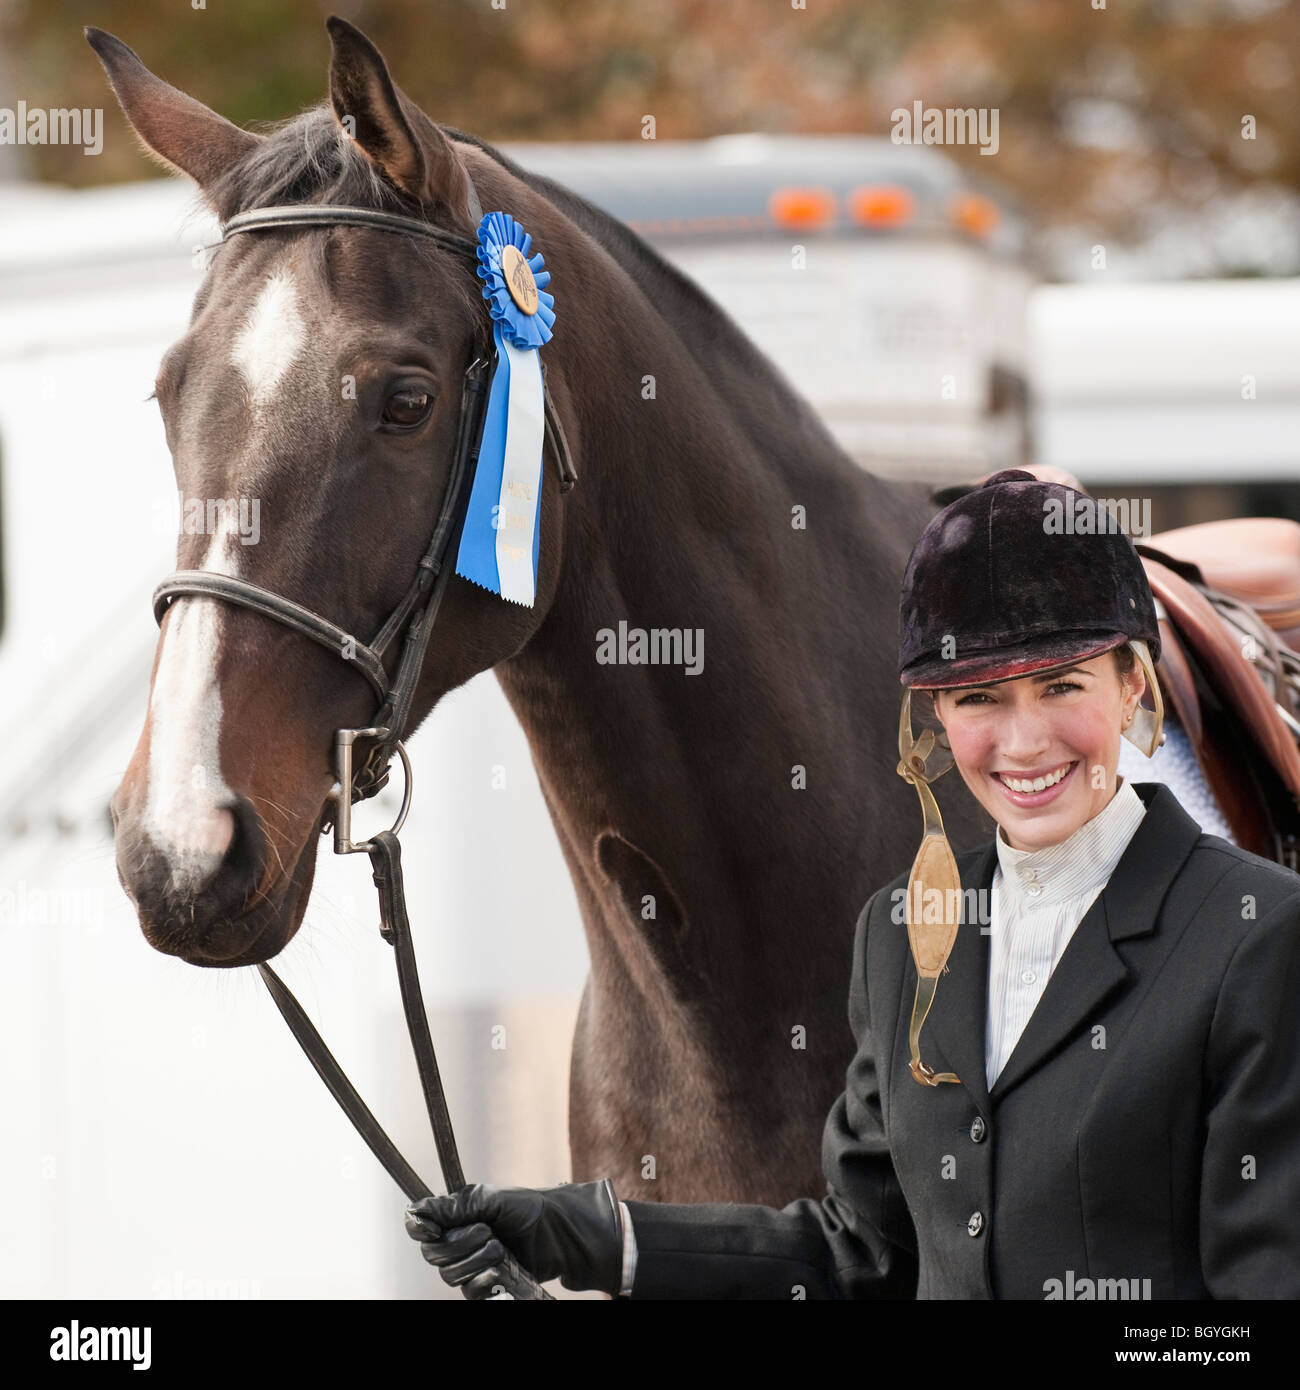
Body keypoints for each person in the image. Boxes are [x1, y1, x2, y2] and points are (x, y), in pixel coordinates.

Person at [405, 470, 1300, 1299]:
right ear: (936, 719)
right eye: (978, 698)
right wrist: (589, 1235)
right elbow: (856, 1255)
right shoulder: (903, 934)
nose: (1024, 743)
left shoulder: (1258, 938)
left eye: (1060, 685)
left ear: (1131, 685)